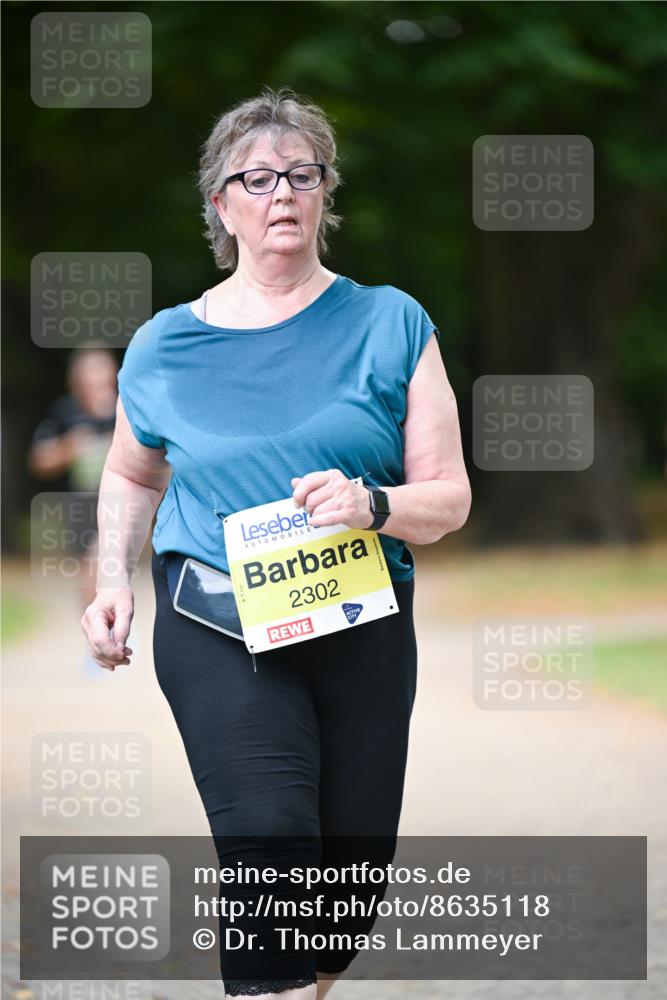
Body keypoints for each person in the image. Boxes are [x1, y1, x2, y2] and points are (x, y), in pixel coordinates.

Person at [81, 87, 471, 999]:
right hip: (216, 620)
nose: (281, 193)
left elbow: (447, 499)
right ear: (221, 206)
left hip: (361, 619)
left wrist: (371, 503)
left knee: (345, 890)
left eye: (301, 173)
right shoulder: (164, 345)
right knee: (267, 837)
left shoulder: (390, 322)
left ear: (324, 192)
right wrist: (113, 581)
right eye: (255, 179)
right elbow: (132, 473)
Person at [29, 346, 118, 609]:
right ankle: (96, 623)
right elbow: (39, 461)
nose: (95, 381)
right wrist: (69, 447)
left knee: (106, 562)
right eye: (89, 374)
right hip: (80, 506)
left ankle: (108, 622)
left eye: (101, 372)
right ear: (76, 379)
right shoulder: (64, 412)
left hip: (121, 501)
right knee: (91, 569)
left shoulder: (126, 410)